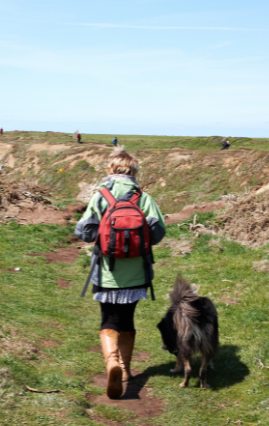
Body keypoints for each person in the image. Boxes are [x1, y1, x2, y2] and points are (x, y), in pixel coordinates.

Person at [74, 147, 166, 399]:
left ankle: (111, 363)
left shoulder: (100, 196)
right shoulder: (145, 199)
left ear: (110, 170)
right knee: (127, 320)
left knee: (108, 319)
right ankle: (125, 371)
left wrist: (103, 236)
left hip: (106, 272)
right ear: (134, 171)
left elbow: (83, 231)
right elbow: (158, 234)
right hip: (137, 273)